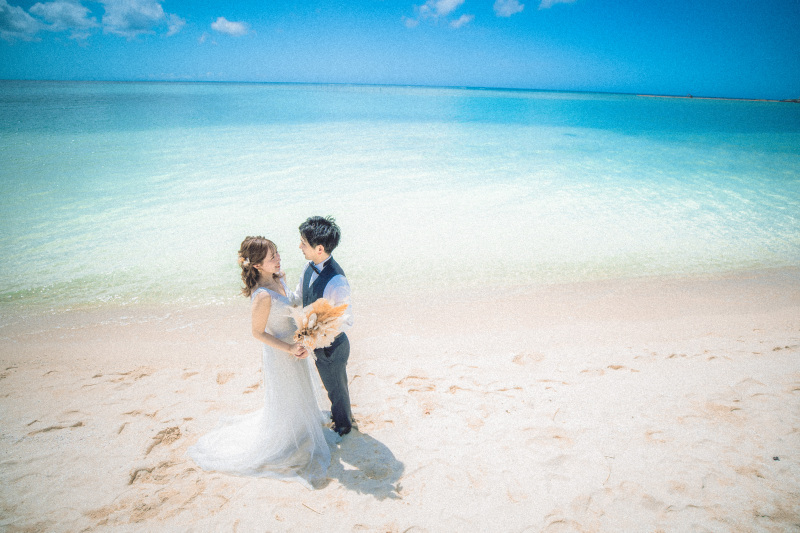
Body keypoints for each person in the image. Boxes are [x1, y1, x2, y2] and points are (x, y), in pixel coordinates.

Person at [187, 236, 333, 489]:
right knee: (287, 394)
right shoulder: (262, 296)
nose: (278, 259)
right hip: (281, 352)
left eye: (277, 253)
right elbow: (257, 333)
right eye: (272, 257)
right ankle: (287, 436)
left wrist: (307, 329)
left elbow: (293, 304)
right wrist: (289, 347)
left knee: (302, 389)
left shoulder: (279, 277)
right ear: (257, 266)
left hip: (296, 345)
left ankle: (301, 427)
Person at [293, 216, 355, 436]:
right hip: (317, 343)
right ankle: (343, 417)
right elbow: (298, 297)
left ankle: (344, 426)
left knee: (336, 389)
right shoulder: (307, 268)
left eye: (303, 243)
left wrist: (312, 340)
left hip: (333, 345)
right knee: (333, 387)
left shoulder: (337, 281)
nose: (299, 246)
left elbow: (344, 320)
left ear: (319, 248)